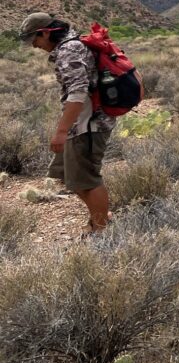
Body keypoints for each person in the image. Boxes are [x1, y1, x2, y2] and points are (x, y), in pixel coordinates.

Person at [19, 12, 115, 237]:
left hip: (88, 125)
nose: (34, 46)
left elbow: (78, 92)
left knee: (87, 180)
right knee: (70, 176)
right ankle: (100, 218)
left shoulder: (69, 50)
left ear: (45, 32)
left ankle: (101, 232)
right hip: (81, 124)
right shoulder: (69, 47)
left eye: (35, 40)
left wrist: (61, 132)